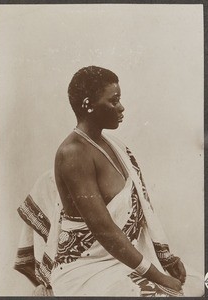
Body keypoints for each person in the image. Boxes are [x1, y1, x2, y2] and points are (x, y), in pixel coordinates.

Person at [15, 66, 203, 297]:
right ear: (88, 105)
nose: (122, 107)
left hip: (125, 259)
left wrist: (167, 257)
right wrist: (158, 276)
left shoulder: (114, 145)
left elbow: (141, 211)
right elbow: (104, 230)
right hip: (89, 268)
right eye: (114, 101)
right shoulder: (72, 153)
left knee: (202, 285)